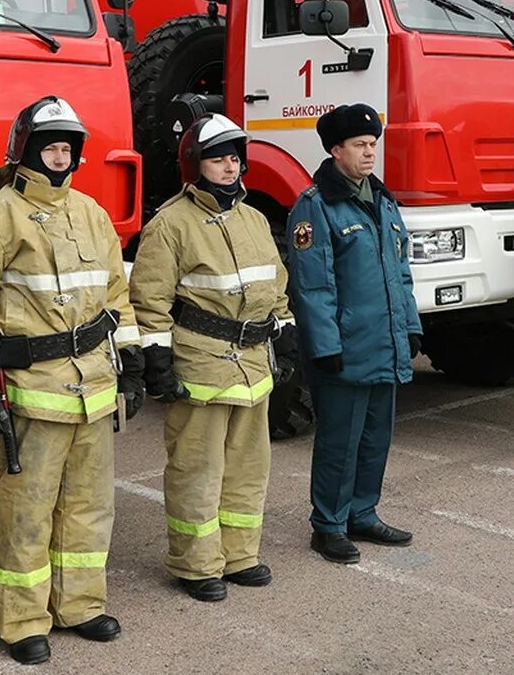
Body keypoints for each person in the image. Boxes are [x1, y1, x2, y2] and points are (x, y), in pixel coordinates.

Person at [0, 96, 141, 665]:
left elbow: (116, 297)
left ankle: (79, 605)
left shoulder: (93, 214)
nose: (60, 157)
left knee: (89, 505)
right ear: (25, 151)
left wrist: (133, 365)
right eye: (49, 147)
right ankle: (24, 619)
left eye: (67, 148)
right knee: (24, 512)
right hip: (32, 392)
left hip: (94, 389)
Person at [129, 114, 292, 600]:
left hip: (253, 364)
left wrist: (283, 335)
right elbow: (149, 300)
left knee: (248, 467)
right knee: (197, 470)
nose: (229, 165)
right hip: (200, 364)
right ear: (194, 164)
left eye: (234, 156)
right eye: (218, 157)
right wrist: (157, 362)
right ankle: (197, 565)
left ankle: (241, 556)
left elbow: (275, 287)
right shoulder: (170, 224)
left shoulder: (254, 218)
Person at [286, 104, 424, 562]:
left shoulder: (382, 200)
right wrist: (325, 347)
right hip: (344, 348)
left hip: (384, 343)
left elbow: (400, 273)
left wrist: (410, 328)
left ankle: (362, 513)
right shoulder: (315, 206)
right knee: (339, 442)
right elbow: (313, 286)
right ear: (335, 150)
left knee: (374, 439)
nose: (370, 154)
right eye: (360, 146)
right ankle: (328, 524)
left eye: (373, 146)